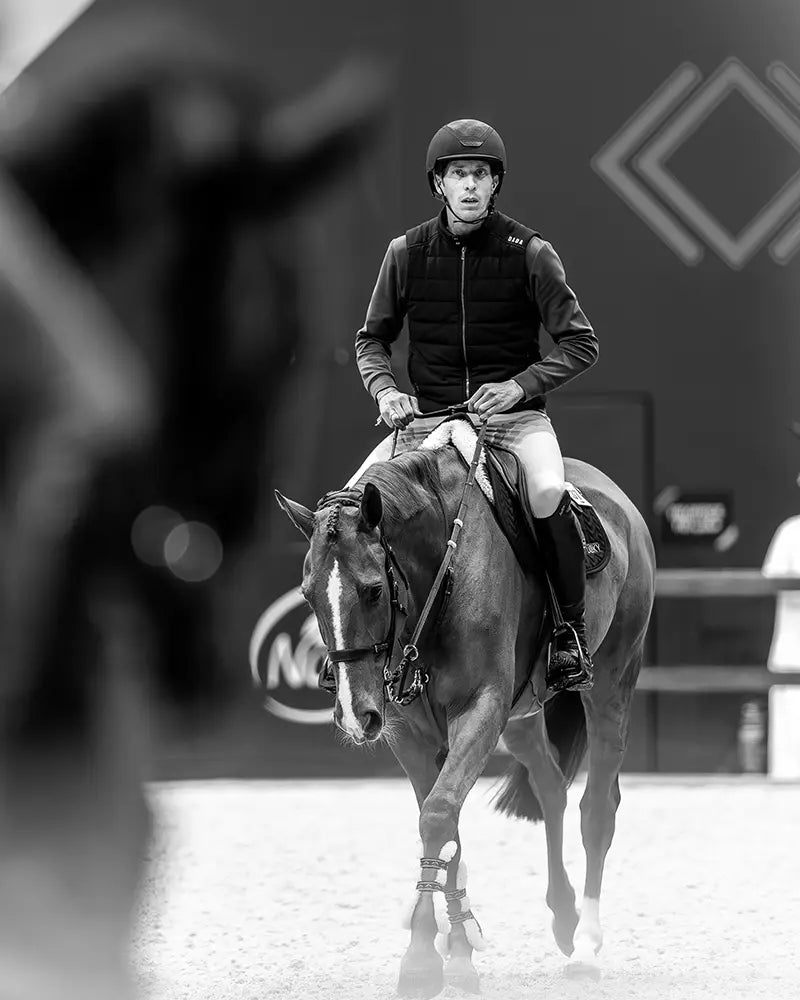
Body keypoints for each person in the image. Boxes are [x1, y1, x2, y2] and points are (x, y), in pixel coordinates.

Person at [353, 119, 599, 692]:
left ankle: (569, 631)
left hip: (512, 421)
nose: (469, 185)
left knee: (546, 492)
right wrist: (385, 390)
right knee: (344, 511)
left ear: (495, 184)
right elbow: (371, 340)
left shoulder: (531, 252)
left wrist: (520, 386)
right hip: (428, 424)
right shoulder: (406, 252)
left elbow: (582, 343)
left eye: (481, 175)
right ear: (439, 183)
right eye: (458, 174)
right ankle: (352, 650)